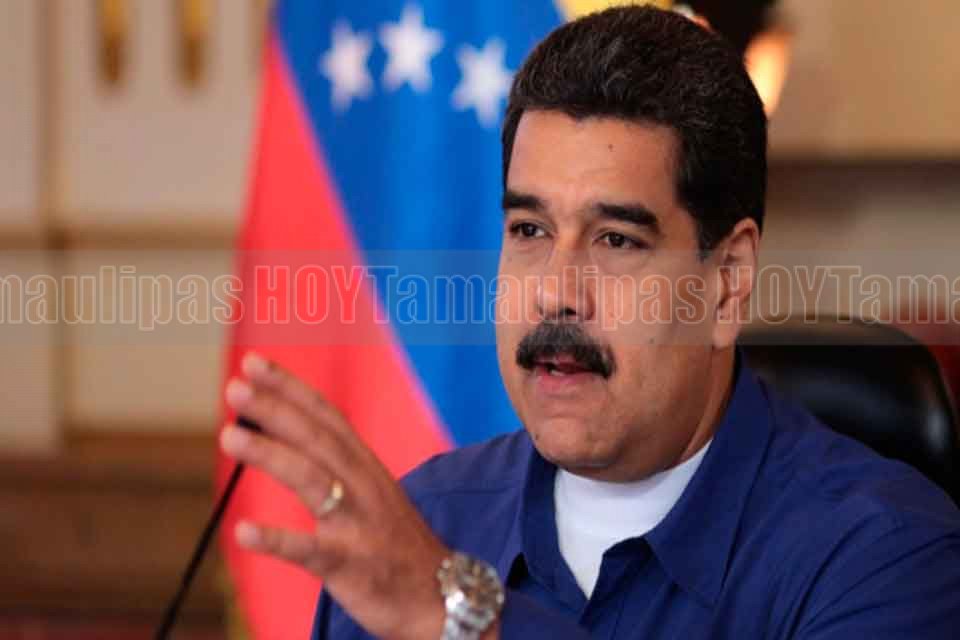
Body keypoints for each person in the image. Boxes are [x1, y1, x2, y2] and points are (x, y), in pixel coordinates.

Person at [218, 6, 960, 639]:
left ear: (727, 283)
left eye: (616, 240)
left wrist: (460, 617)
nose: (555, 293)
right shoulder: (422, 524)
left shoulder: (887, 554)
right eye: (529, 231)